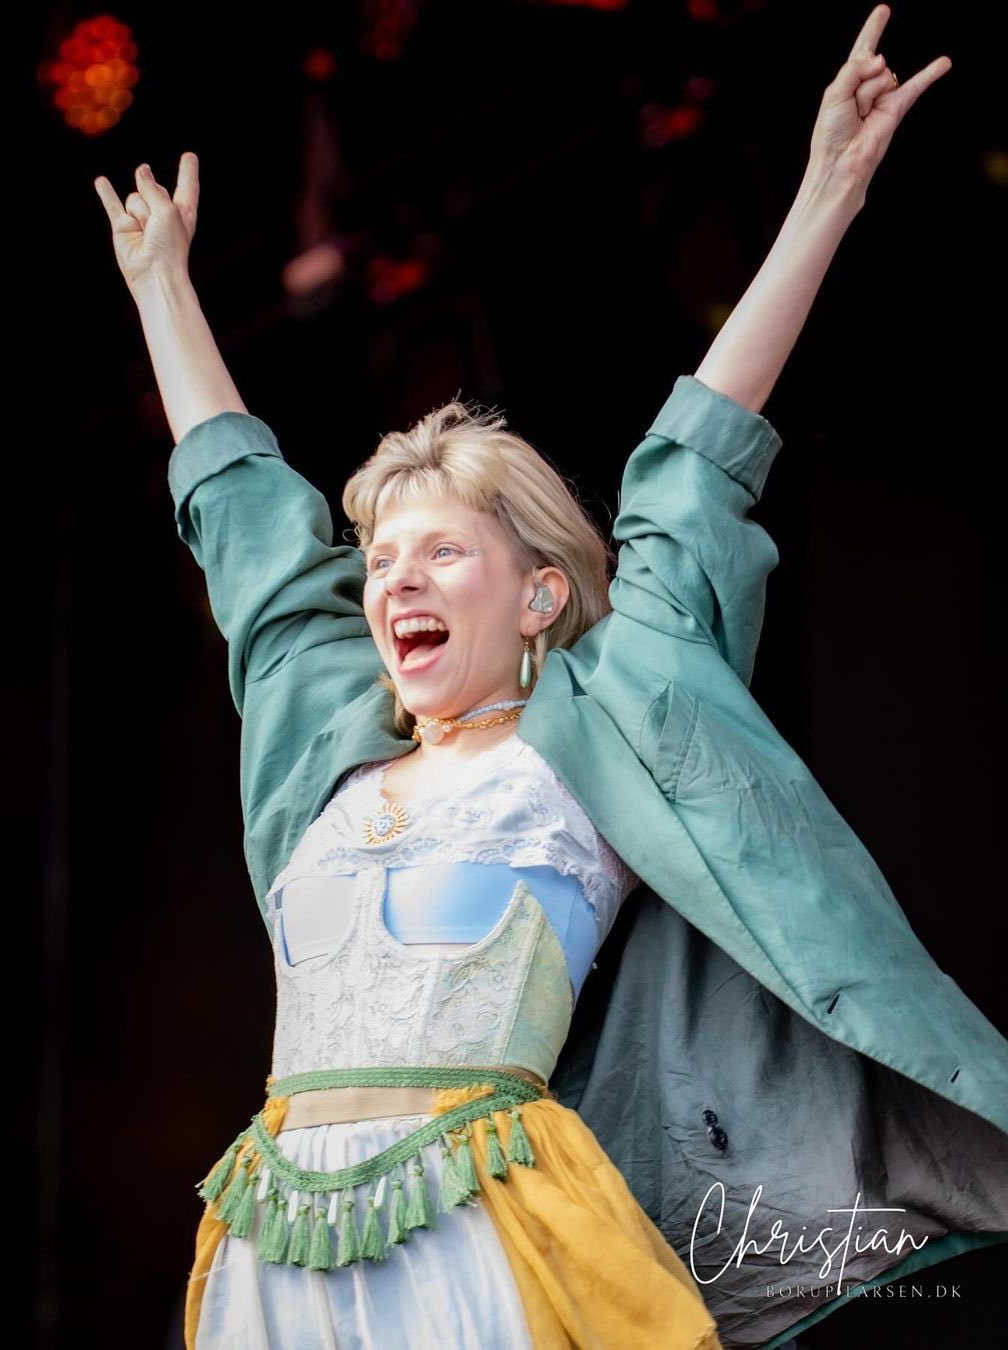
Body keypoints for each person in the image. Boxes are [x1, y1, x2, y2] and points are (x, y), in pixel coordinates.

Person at [95, 7, 1007, 1348]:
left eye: (441, 552)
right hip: (275, 1245)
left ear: (537, 597)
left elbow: (694, 471)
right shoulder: (327, 743)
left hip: (485, 1233)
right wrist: (162, 288)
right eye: (380, 559)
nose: (395, 581)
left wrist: (825, 191)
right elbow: (248, 532)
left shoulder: (601, 737)